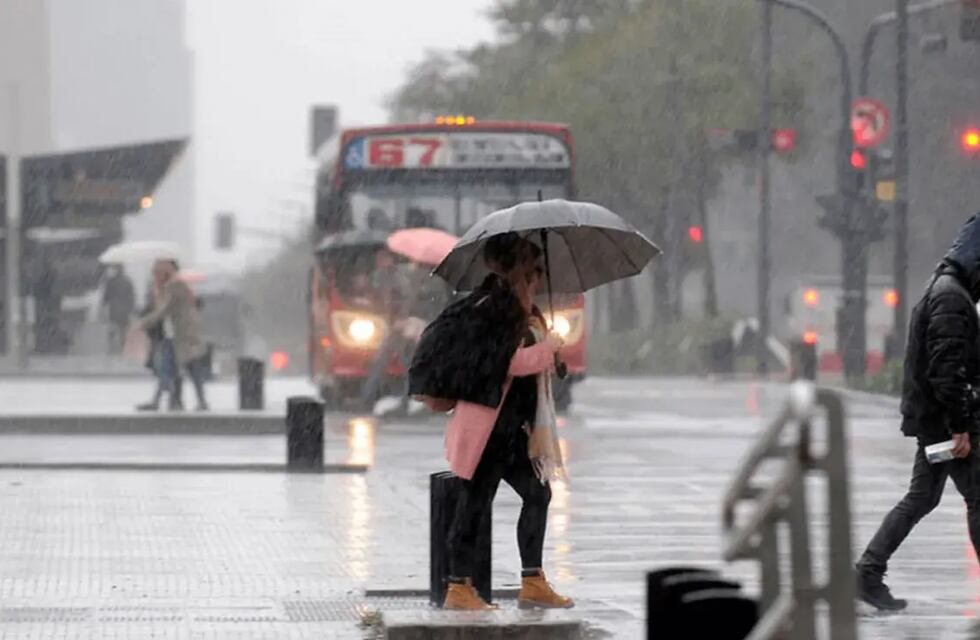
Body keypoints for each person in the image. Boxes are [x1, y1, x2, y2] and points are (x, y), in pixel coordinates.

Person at [408, 233, 572, 611]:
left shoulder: (523, 309)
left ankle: (532, 581)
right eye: (534, 272)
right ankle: (458, 587)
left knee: (536, 494)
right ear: (517, 271)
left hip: (511, 428)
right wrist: (545, 350)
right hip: (487, 426)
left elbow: (529, 360)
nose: (538, 279)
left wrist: (552, 352)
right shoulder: (494, 308)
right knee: (475, 503)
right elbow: (508, 363)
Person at [855, 214, 980, 611]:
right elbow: (947, 370)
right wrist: (960, 427)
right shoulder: (951, 298)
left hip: (934, 421)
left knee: (922, 497)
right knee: (978, 497)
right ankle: (867, 572)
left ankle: (868, 572)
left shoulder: (941, 288)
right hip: (945, 424)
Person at [138, 260, 210, 411]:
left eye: (157, 273)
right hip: (173, 334)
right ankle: (168, 400)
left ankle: (191, 401)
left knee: (188, 367)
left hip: (182, 334)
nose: (155, 276)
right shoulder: (166, 287)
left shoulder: (174, 286)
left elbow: (165, 309)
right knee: (168, 367)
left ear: (165, 273)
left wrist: (145, 322)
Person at [102, 265, 136, 354]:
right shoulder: (127, 282)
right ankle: (122, 346)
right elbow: (131, 296)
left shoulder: (111, 281)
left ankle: (112, 346)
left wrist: (104, 304)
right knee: (122, 329)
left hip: (114, 308)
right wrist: (131, 308)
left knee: (113, 327)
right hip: (124, 309)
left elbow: (106, 296)